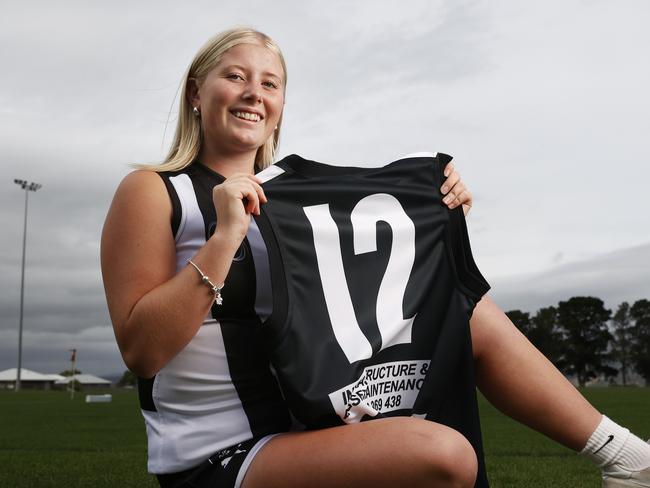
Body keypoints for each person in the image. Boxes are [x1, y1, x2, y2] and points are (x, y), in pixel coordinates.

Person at [101, 28, 650, 488]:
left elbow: (377, 291)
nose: (253, 93)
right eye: (235, 76)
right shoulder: (154, 190)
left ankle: (628, 459)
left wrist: (438, 198)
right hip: (222, 452)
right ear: (197, 92)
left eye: (269, 83)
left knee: (464, 307)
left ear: (280, 107)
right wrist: (224, 239)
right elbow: (142, 352)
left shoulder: (297, 200)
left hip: (312, 417)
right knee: (447, 455)